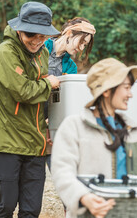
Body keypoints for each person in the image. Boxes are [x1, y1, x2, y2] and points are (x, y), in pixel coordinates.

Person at [51, 58, 137, 218]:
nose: (130, 94)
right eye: (126, 88)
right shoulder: (74, 127)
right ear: (107, 90)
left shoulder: (134, 132)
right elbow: (62, 173)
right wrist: (83, 197)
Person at [0, 1, 60, 218]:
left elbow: (42, 96)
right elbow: (24, 91)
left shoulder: (42, 53)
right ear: (19, 30)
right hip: (7, 142)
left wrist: (50, 126)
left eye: (42, 36)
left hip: (35, 143)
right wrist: (49, 84)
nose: (37, 41)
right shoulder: (5, 53)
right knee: (6, 207)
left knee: (31, 210)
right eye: (31, 35)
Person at [44, 17, 96, 169]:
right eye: (81, 42)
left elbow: (66, 101)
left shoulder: (71, 67)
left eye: (85, 45)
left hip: (50, 124)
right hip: (28, 119)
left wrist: (53, 122)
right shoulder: (40, 49)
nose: (81, 49)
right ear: (69, 33)